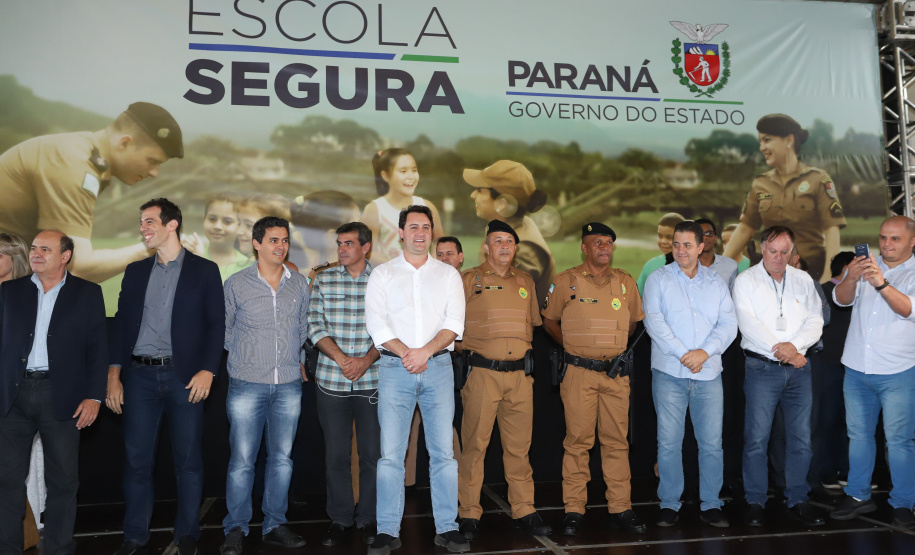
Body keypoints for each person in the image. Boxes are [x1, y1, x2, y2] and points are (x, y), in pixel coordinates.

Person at [106, 199, 225, 555]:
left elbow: (216, 324)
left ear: (172, 225)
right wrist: (114, 376)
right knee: (136, 461)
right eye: (141, 222)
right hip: (139, 377)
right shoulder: (135, 271)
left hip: (184, 377)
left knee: (188, 461)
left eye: (149, 222)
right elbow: (122, 328)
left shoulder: (204, 270)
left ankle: (187, 534)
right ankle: (135, 536)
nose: (143, 228)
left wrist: (208, 369)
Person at [364, 205, 468, 555]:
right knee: (390, 456)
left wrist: (423, 352)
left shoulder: (448, 275)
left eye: (426, 226)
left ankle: (448, 528)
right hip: (395, 371)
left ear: (432, 232)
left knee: (444, 454)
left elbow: (455, 323)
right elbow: (376, 325)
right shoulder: (382, 274)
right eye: (413, 226)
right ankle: (387, 531)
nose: (420, 232)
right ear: (401, 232)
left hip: (438, 369)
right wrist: (408, 352)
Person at [0, 230, 107, 554]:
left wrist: (94, 396)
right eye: (33, 248)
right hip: (13, 398)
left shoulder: (87, 293)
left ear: (65, 256)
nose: (36, 254)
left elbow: (97, 349)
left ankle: (60, 548)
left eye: (45, 249)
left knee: (63, 482)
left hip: (61, 397)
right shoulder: (9, 291)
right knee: (6, 483)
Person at [541, 222, 647, 536]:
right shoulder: (566, 281)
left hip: (615, 375)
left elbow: (631, 327)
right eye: (597, 242)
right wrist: (575, 349)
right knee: (577, 443)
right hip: (577, 374)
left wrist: (606, 348)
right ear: (584, 248)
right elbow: (549, 322)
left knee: (616, 443)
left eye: (608, 243)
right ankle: (574, 509)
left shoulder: (626, 282)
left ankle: (621, 508)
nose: (604, 247)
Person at [0, 102, 183, 283]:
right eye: (152, 161)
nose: (154, 173)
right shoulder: (75, 166)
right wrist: (151, 246)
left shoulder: (86, 154)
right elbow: (74, 268)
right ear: (125, 143)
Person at [457, 220, 552, 541]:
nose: (504, 247)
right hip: (482, 375)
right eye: (498, 241)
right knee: (473, 447)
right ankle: (468, 511)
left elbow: (534, 326)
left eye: (510, 242)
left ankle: (524, 508)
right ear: (486, 246)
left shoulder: (526, 281)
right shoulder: (468, 280)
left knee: (519, 448)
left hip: (520, 379)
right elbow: (450, 329)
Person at [221, 217, 310, 554]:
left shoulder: (300, 283)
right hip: (246, 384)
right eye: (273, 240)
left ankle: (275, 523)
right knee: (242, 460)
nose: (280, 246)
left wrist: (291, 358)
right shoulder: (235, 284)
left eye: (285, 240)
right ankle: (236, 527)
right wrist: (249, 360)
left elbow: (302, 330)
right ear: (256, 243)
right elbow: (227, 333)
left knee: (282, 459)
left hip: (288, 384)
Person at [643, 220, 737, 528]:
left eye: (687, 245)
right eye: (676, 244)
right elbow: (654, 323)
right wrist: (686, 354)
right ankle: (670, 503)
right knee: (669, 442)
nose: (681, 250)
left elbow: (728, 325)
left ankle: (711, 503)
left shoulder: (716, 282)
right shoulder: (658, 279)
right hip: (670, 372)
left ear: (701, 247)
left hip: (709, 373)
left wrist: (703, 353)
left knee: (711, 443)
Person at [731, 226, 825, 527]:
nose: (779, 257)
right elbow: (748, 324)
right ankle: (755, 501)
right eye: (773, 251)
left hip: (799, 369)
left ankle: (798, 498)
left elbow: (815, 320)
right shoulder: (746, 280)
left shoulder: (803, 279)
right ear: (761, 248)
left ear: (793, 252)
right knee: (756, 439)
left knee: (801, 439)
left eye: (785, 252)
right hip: (762, 369)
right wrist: (785, 352)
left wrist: (795, 348)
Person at [829, 216, 915, 529]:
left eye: (895, 239)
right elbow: (840, 300)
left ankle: (904, 502)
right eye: (883, 238)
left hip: (898, 370)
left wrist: (880, 282)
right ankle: (857, 495)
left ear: (912, 241)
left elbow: (908, 309)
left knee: (899, 441)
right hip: (856, 368)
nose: (887, 245)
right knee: (859, 436)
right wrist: (851, 278)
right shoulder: (865, 263)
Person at [306, 222, 380, 547]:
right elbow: (314, 324)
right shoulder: (323, 279)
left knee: (371, 455)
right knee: (335, 455)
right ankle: (339, 518)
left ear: (366, 247)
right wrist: (341, 359)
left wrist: (364, 361)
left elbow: (393, 328)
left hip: (373, 380)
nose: (341, 249)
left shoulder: (383, 281)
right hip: (331, 381)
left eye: (349, 244)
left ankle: (370, 519)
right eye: (339, 243)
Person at [724, 114, 846, 282]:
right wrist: (719, 270)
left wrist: (830, 277)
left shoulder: (818, 179)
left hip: (812, 272)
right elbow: (745, 227)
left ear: (788, 140)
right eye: (760, 142)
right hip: (771, 275)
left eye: (767, 140)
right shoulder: (760, 183)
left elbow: (832, 230)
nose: (762, 148)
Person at [464, 160, 556, 303]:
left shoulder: (521, 251)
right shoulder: (516, 227)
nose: (473, 195)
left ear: (502, 204)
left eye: (480, 190)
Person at [812, 251, 855, 490]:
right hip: (828, 363)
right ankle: (825, 471)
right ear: (846, 266)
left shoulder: (864, 292)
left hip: (854, 365)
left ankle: (846, 471)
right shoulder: (825, 290)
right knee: (826, 419)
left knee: (850, 421)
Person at [362, 149, 444, 264]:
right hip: (389, 278)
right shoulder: (374, 209)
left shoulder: (427, 206)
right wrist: (400, 269)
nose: (411, 176)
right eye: (403, 171)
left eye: (414, 170)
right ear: (385, 175)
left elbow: (439, 242)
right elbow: (369, 252)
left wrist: (432, 266)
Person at [182, 193, 250, 283]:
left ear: (240, 226)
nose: (217, 226)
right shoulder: (191, 254)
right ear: (204, 219)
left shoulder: (247, 267)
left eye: (227, 221)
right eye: (212, 219)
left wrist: (200, 265)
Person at [636, 213, 686, 293]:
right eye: (660, 236)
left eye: (669, 237)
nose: (663, 241)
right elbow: (638, 297)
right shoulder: (651, 266)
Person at [695, 218, 738, 290]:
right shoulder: (683, 266)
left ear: (715, 238)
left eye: (709, 233)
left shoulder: (730, 265)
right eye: (699, 234)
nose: (705, 237)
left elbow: (733, 297)